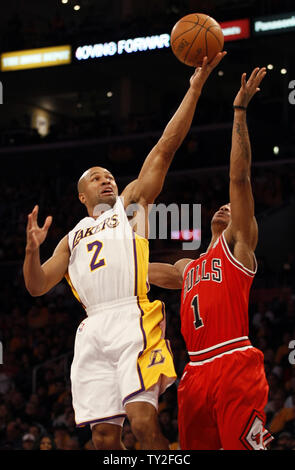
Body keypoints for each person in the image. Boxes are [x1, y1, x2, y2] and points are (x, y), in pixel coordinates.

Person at [23, 51, 226, 451]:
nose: (106, 180)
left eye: (110, 175)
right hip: (91, 330)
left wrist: (195, 87)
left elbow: (165, 148)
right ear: (81, 194)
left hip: (132, 315)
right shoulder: (71, 237)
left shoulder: (129, 205)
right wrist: (31, 252)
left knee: (143, 422)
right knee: (102, 437)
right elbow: (36, 286)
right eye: (96, 178)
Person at [149, 67, 274, 450]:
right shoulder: (187, 268)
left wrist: (239, 111)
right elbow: (139, 270)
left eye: (230, 208)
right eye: (218, 206)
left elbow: (239, 179)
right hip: (195, 371)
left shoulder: (238, 247)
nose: (225, 207)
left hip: (234, 359)